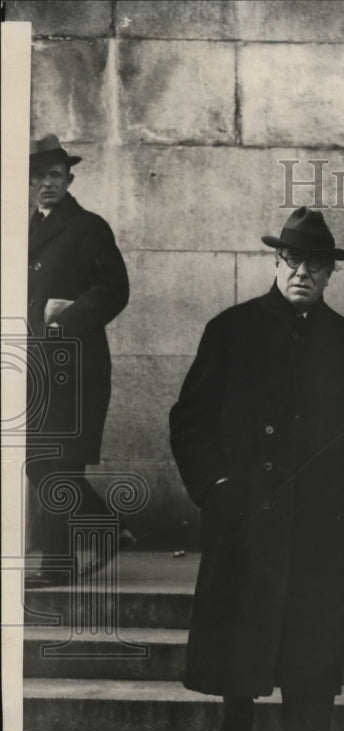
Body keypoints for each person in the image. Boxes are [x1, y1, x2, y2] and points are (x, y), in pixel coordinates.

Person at [169, 207, 344, 731]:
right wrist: (218, 489)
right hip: (245, 523)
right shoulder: (229, 330)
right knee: (243, 643)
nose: (302, 273)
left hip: (314, 530)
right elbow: (190, 421)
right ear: (274, 262)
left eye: (315, 264)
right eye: (291, 260)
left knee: (309, 666)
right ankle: (231, 726)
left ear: (329, 273)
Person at [26, 134, 132, 588]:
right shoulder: (26, 228)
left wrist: (64, 321)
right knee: (38, 460)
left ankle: (58, 565)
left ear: (69, 179)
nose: (46, 184)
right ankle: (107, 526)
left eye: (53, 175)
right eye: (37, 177)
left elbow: (114, 290)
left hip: (74, 366)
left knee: (59, 460)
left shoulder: (89, 226)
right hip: (35, 367)